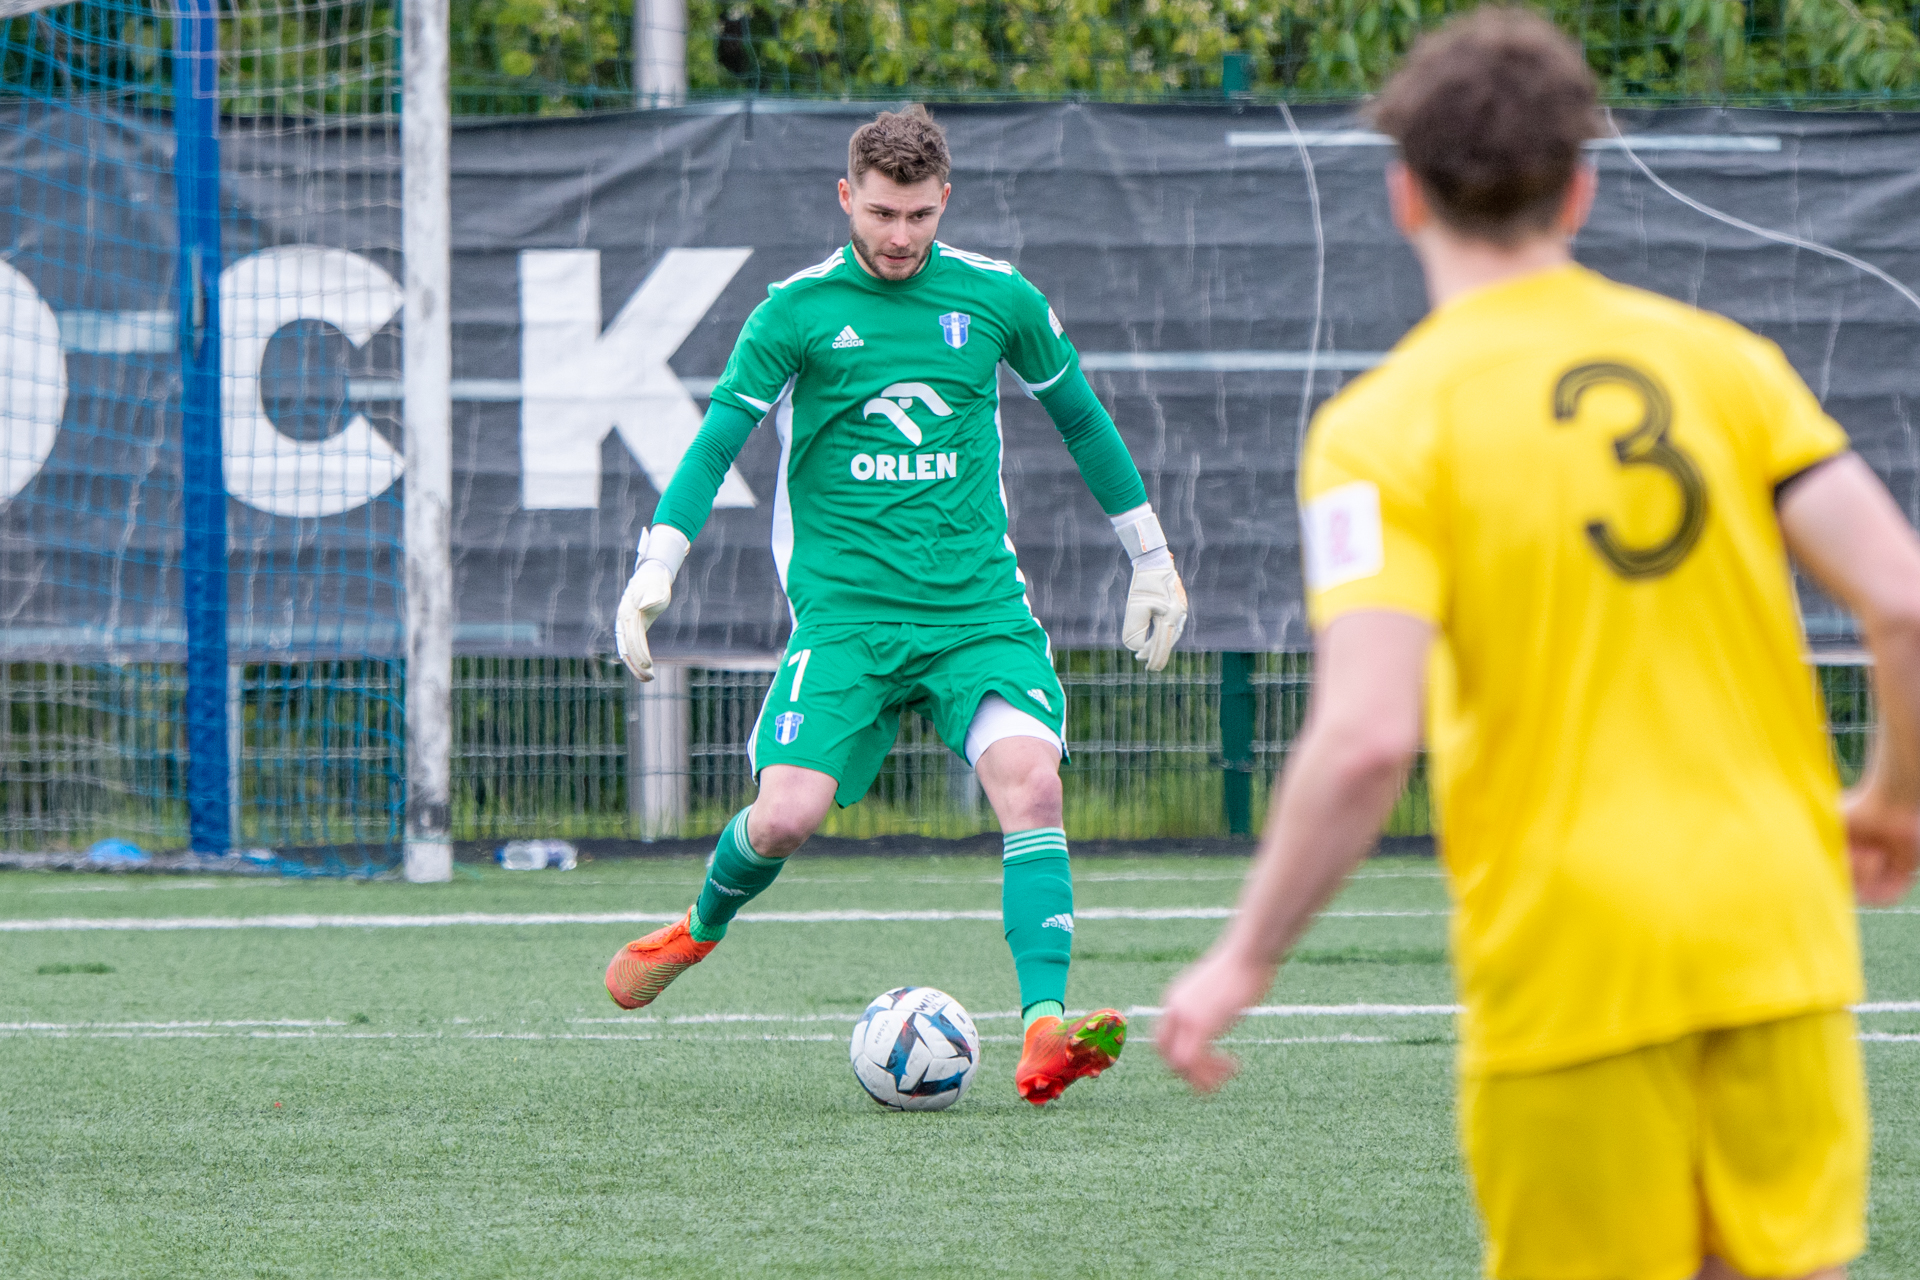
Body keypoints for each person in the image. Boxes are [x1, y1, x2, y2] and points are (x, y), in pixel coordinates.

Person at [1155, 10, 1920, 1279]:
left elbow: (1368, 735)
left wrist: (1246, 953)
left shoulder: (1382, 430)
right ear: (1581, 188)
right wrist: (1895, 798)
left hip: (1573, 962)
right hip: (1776, 933)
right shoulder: (1727, 366)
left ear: (1405, 194)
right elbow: (1903, 600)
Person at [604, 105, 1189, 1106]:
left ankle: (1044, 1030)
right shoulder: (794, 312)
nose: (900, 235)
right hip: (847, 620)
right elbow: (714, 442)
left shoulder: (998, 297)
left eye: (919, 214)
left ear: (944, 201)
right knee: (783, 817)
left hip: (978, 615)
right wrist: (658, 560)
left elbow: (1083, 421)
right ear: (847, 198)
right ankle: (698, 929)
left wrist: (1153, 557)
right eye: (881, 212)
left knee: (1033, 788)